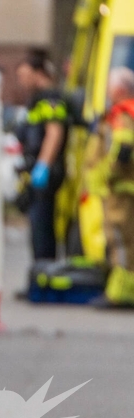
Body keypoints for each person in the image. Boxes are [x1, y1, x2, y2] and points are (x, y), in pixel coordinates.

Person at [87, 67, 134, 307]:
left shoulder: (123, 114)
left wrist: (108, 174)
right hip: (121, 188)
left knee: (121, 241)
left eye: (109, 87)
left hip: (119, 189)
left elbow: (124, 147)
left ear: (119, 89)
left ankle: (122, 293)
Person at [15, 50, 67, 261]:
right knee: (37, 226)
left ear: (38, 73)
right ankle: (40, 273)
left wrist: (43, 167)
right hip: (35, 169)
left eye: (24, 76)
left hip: (45, 171)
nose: (22, 82)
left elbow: (54, 133)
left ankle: (45, 275)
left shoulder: (51, 98)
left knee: (43, 225)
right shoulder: (36, 100)